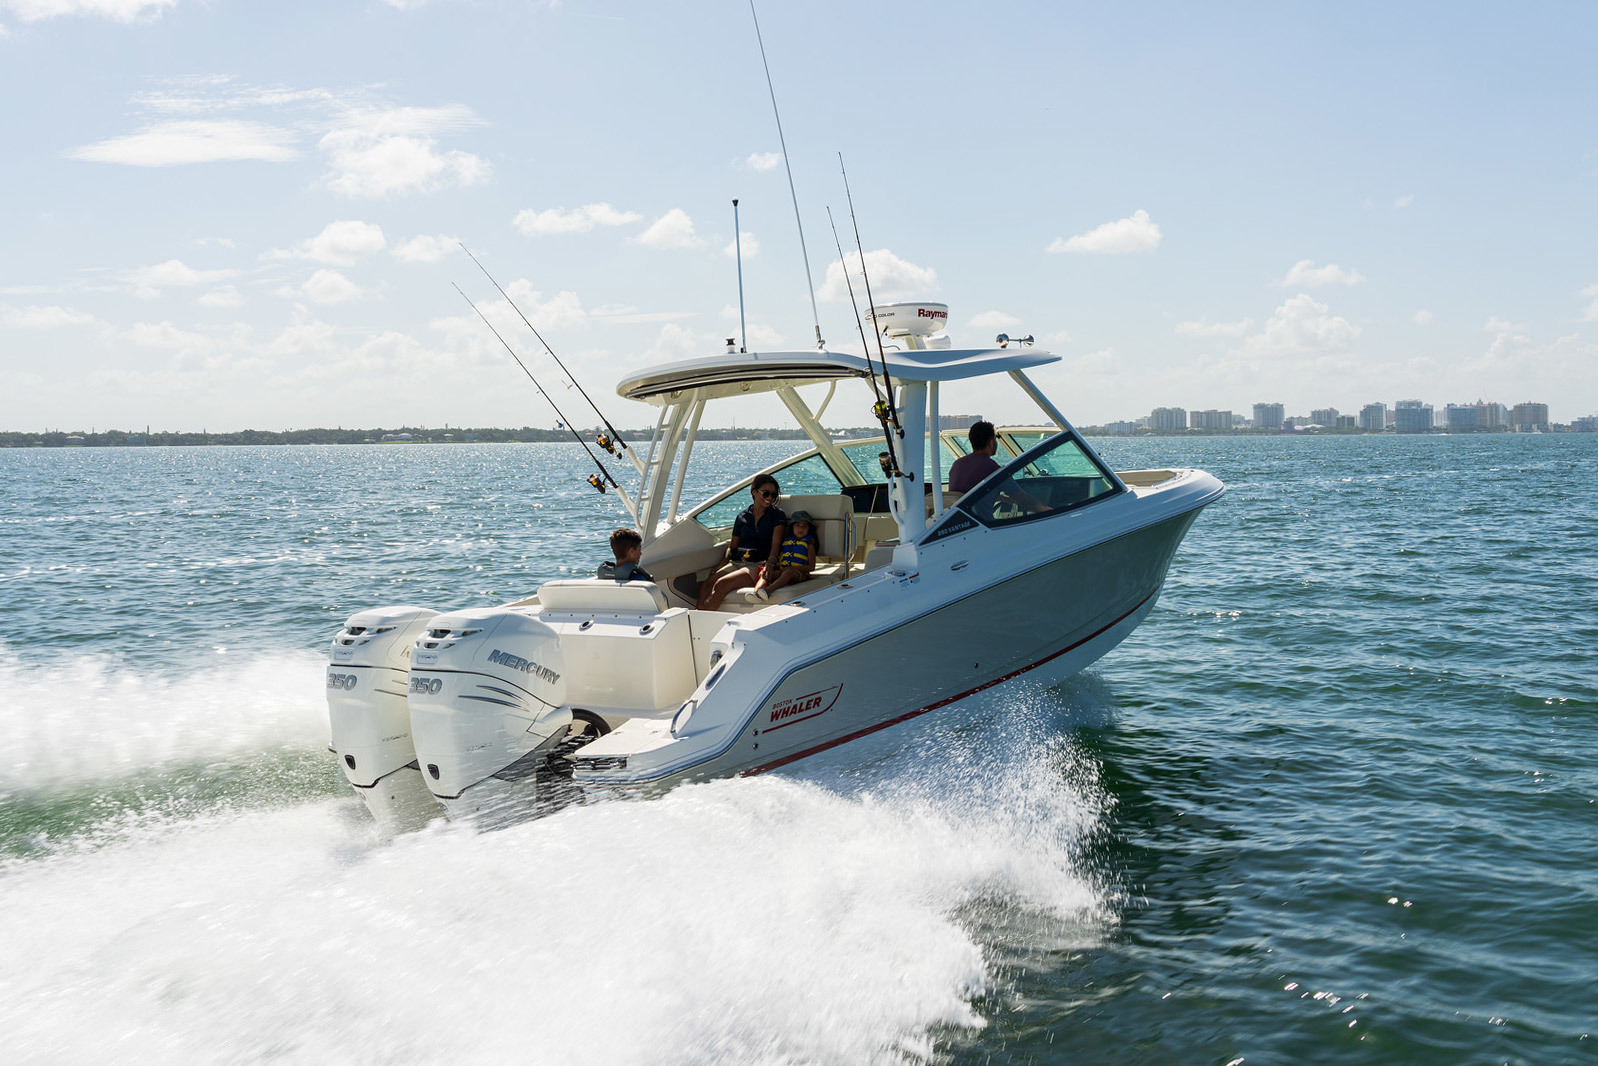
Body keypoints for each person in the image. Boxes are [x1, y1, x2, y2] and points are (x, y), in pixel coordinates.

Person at [696, 474, 787, 610]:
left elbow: (776, 544)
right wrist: (720, 565)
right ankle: (696, 615)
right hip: (738, 561)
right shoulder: (742, 517)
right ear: (754, 492)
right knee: (707, 583)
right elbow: (732, 546)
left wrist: (771, 563)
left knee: (722, 584)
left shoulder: (777, 515)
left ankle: (699, 620)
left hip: (758, 565)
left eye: (773, 495)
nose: (769, 498)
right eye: (766, 493)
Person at [754, 510, 817, 601]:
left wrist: (791, 569)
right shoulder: (786, 542)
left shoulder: (809, 544)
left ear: (809, 529)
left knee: (788, 573)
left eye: (804, 526)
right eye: (797, 525)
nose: (801, 529)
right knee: (768, 573)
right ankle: (756, 593)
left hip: (799, 574)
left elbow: (812, 567)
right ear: (792, 527)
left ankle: (768, 590)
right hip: (783, 571)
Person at [947, 420, 1001, 495]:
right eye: (995, 438)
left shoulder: (957, 464)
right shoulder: (991, 466)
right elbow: (1017, 495)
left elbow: (967, 493)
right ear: (991, 442)